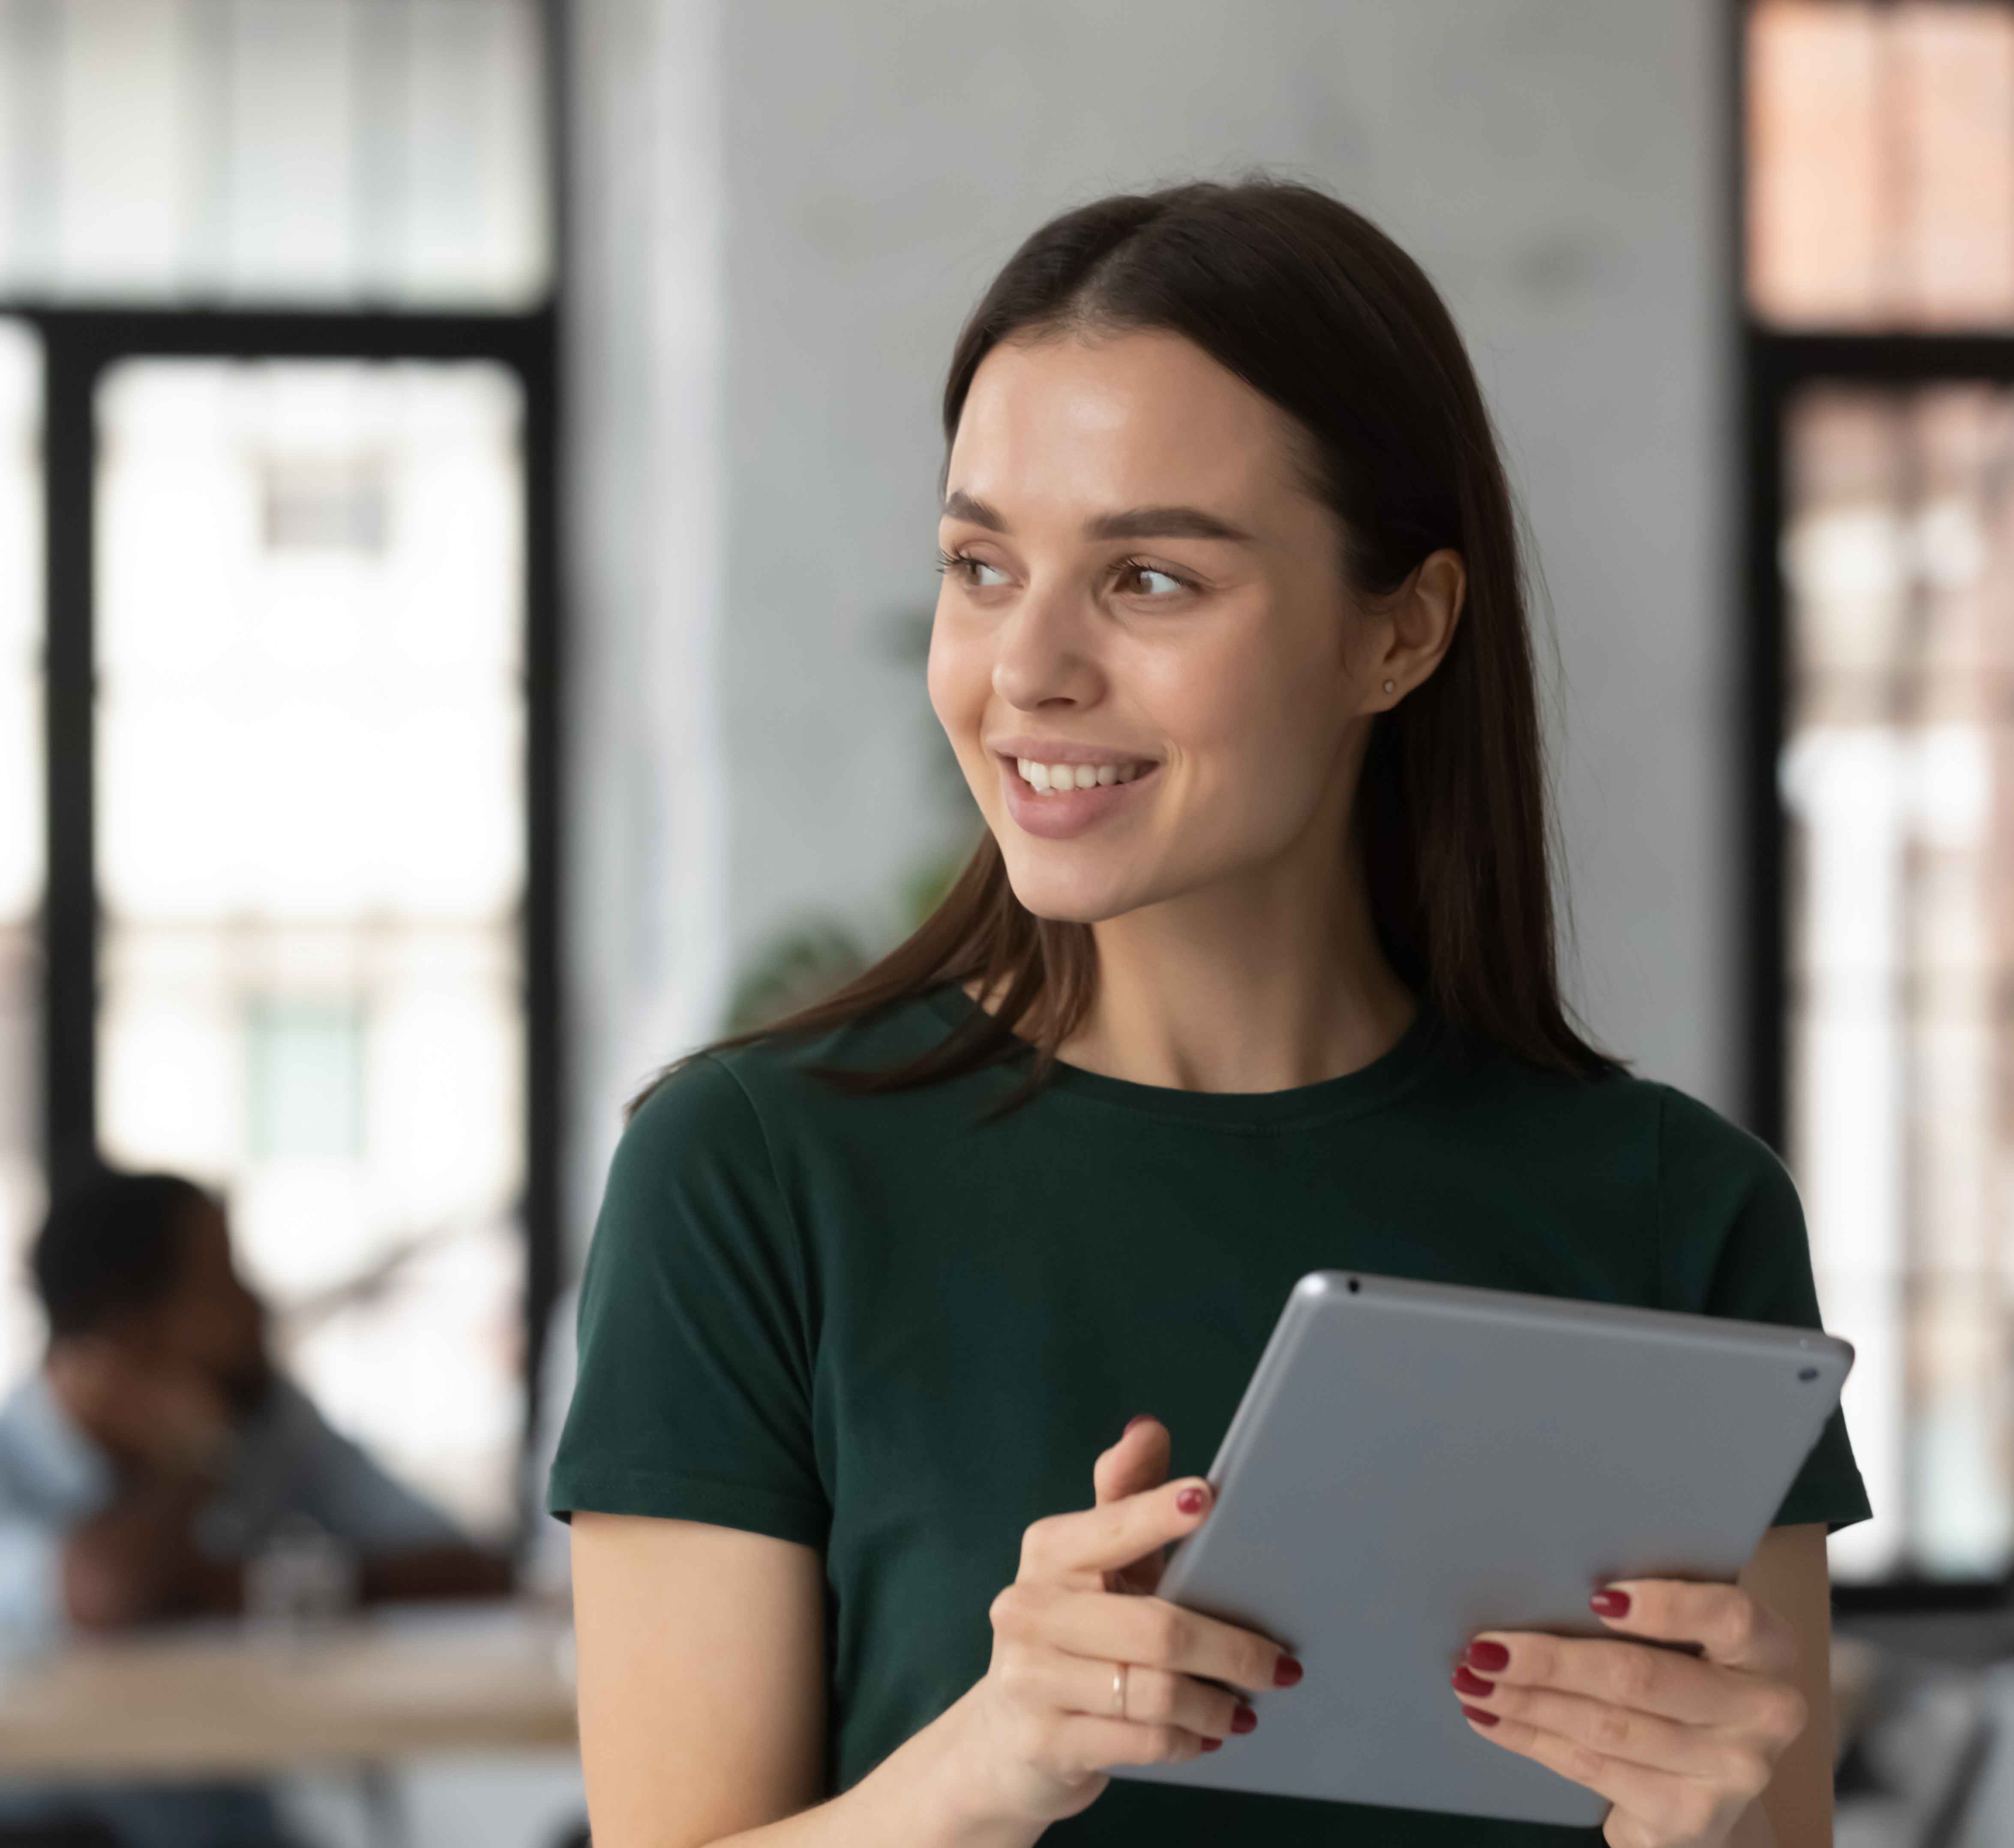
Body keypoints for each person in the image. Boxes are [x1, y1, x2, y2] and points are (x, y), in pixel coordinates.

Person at [550, 181, 1870, 1848]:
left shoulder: (1682, 1211)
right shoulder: (748, 1173)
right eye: (980, 562)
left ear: (1400, 629)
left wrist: (1718, 1828)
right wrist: (993, 1760)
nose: (1024, 666)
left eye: (1151, 578)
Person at [0, 1169, 512, 1637]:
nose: (258, 1307)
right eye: (224, 1284)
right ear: (127, 1339)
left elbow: (472, 1568)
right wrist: (193, 1464)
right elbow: (102, 1595)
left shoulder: (268, 1429)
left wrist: (252, 1590)